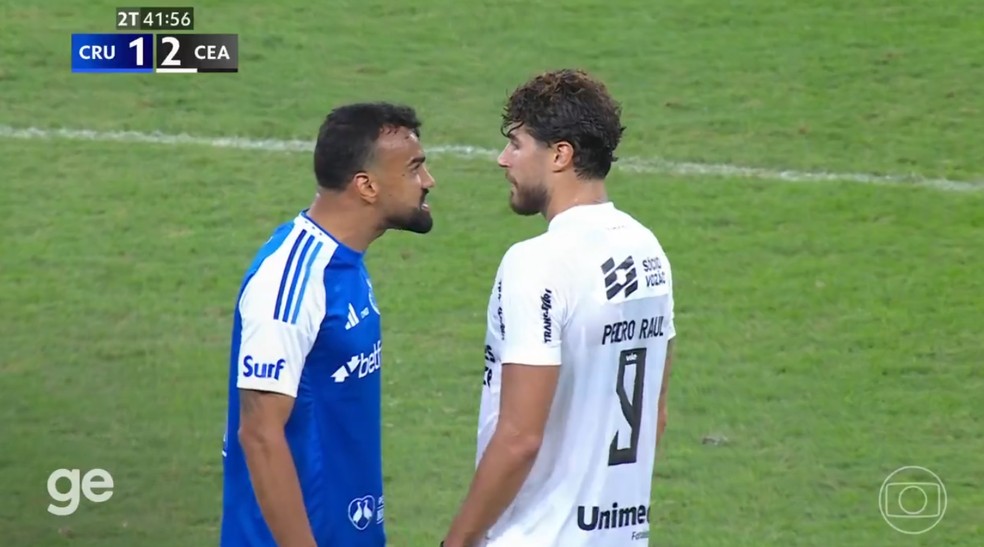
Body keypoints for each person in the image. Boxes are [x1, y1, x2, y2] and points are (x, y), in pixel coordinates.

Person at [442, 69, 676, 547]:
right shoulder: (647, 250)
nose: (502, 158)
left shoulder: (537, 263)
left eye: (516, 144)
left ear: (560, 154)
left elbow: (519, 438)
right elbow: (655, 412)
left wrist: (457, 542)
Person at [219, 102, 436, 547]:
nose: (428, 181)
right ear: (367, 185)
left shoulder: (344, 263)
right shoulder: (290, 282)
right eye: (414, 169)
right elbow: (259, 433)